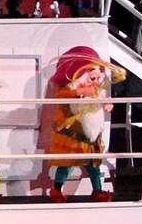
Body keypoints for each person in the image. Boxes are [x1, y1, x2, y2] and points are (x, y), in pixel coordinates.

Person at [43, 46, 114, 202]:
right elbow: (62, 96)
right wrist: (80, 92)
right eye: (91, 70)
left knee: (94, 165)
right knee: (65, 165)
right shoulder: (70, 89)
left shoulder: (96, 90)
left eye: (98, 70)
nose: (96, 74)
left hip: (91, 137)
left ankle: (98, 190)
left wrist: (106, 104)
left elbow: (101, 100)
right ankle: (56, 190)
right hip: (72, 135)